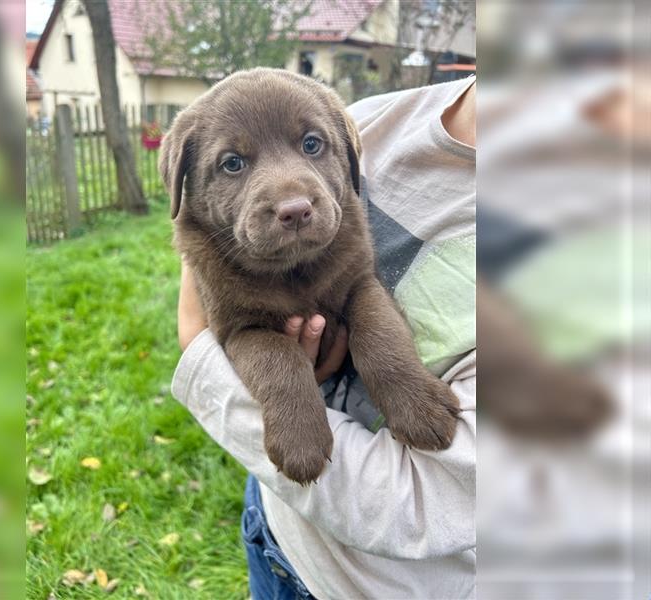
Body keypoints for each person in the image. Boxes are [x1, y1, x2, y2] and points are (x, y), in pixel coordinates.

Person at [174, 76, 476, 599]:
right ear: (183, 185)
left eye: (311, 146)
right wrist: (285, 387)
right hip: (278, 528)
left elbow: (360, 289)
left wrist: (393, 373)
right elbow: (239, 330)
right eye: (232, 163)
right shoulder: (382, 115)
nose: (290, 195)